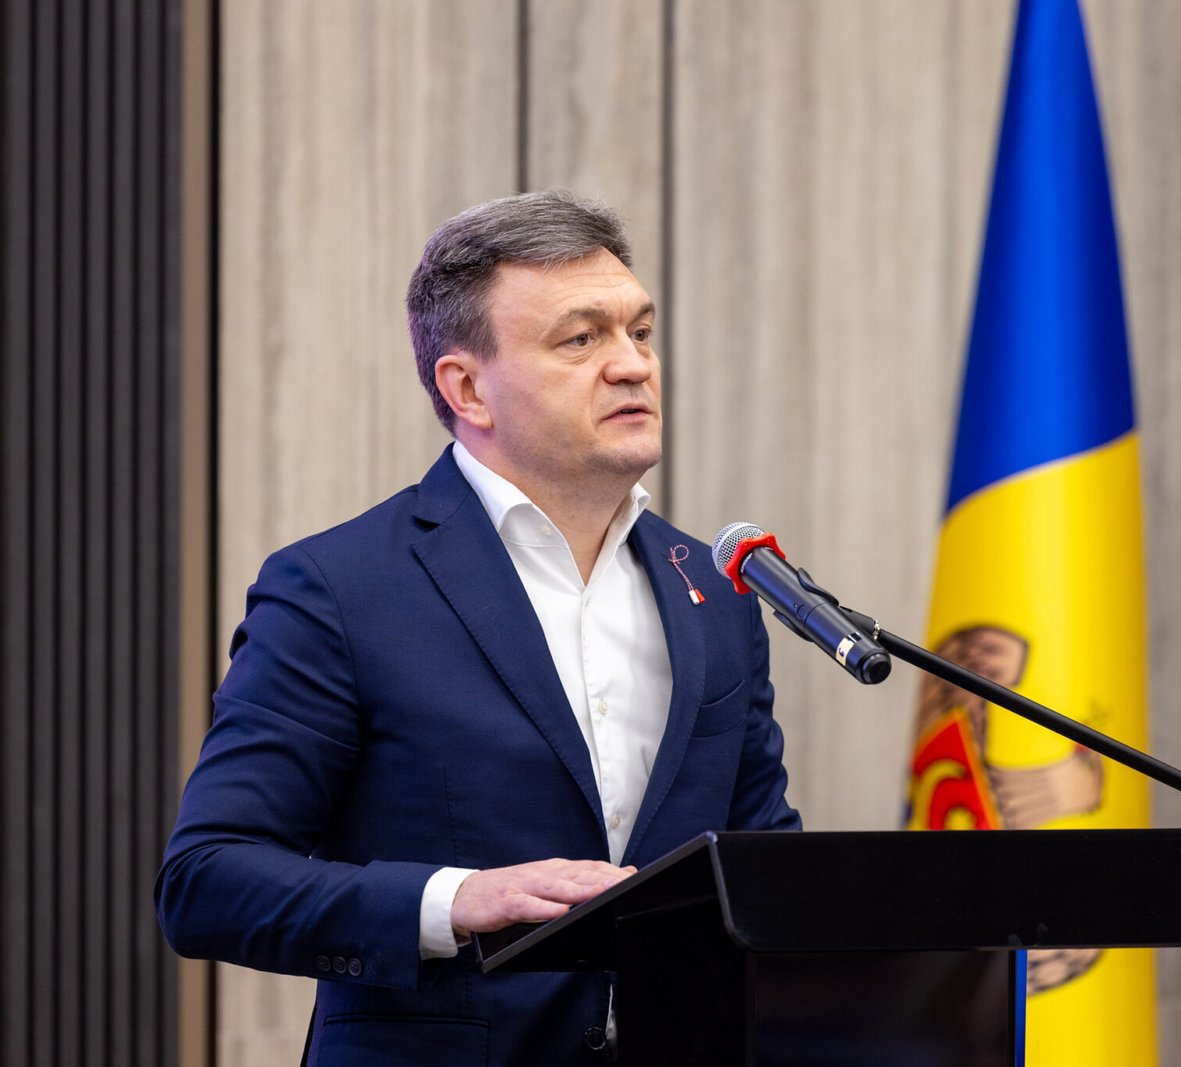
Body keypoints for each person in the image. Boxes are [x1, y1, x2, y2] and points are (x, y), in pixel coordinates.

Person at [156, 191, 801, 1065]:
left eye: (640, 332)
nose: (632, 365)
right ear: (468, 388)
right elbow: (207, 880)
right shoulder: (340, 589)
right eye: (581, 339)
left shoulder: (714, 590)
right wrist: (452, 901)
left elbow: (764, 868)